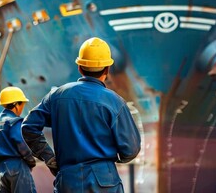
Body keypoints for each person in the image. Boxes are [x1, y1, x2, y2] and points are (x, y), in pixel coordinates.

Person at [22, 37, 141, 192]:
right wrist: (112, 161)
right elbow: (131, 150)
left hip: (68, 181)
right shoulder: (115, 102)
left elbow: (28, 127)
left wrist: (49, 158)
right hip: (105, 181)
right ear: (107, 69)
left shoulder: (56, 96)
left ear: (79, 67)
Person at [0, 87, 38, 193]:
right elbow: (21, 143)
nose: (23, 107)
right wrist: (30, 160)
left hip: (0, 170)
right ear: (16, 105)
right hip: (18, 167)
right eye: (22, 104)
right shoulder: (14, 121)